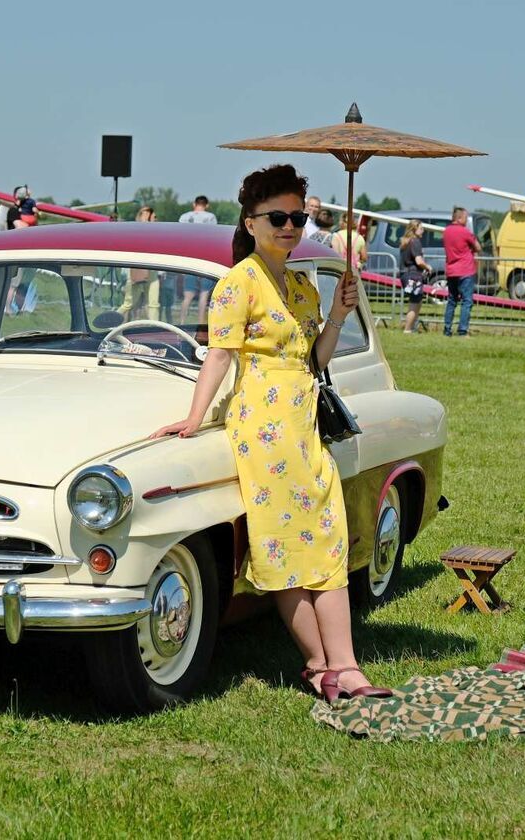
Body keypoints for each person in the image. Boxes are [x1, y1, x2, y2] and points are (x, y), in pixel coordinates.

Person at [153, 164, 391, 702]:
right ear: (251, 221)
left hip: (305, 420)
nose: (290, 226)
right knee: (285, 546)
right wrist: (196, 417)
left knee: (327, 541)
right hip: (263, 428)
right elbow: (220, 355)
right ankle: (321, 664)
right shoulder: (238, 282)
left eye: (298, 217)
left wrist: (336, 314)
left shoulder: (303, 284)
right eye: (278, 217)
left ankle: (344, 667)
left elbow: (315, 360)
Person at [442, 206, 481, 337]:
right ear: (459, 218)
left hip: (451, 270)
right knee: (466, 301)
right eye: (465, 217)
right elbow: (478, 247)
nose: (466, 220)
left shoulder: (446, 231)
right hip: (465, 270)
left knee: (452, 300)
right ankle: (462, 330)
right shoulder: (465, 232)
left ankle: (447, 329)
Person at [117, 207, 160, 320]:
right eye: (147, 215)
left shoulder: (156, 232)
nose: (153, 218)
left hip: (152, 271)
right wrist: (145, 222)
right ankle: (109, 323)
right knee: (128, 304)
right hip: (136, 270)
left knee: (154, 305)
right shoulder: (135, 230)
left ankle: (154, 330)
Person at [399, 220, 431, 333]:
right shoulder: (415, 242)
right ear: (414, 229)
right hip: (413, 275)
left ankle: (411, 327)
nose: (423, 230)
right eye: (421, 228)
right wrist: (428, 267)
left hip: (404, 274)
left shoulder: (405, 242)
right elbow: (418, 261)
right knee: (414, 302)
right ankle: (408, 329)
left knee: (416, 301)